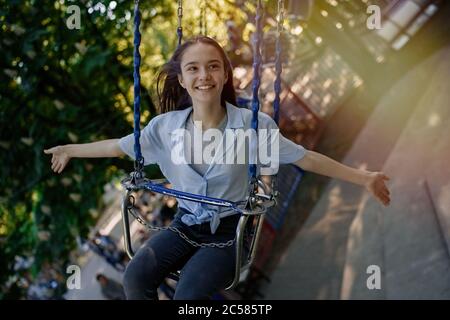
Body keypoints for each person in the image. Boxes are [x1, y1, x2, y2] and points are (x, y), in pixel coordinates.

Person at [44, 36, 391, 300]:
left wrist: (364, 177)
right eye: (193, 68)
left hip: (228, 235)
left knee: (189, 297)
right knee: (136, 277)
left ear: (225, 73)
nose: (204, 75)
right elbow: (117, 146)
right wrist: (70, 150)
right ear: (181, 79)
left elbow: (305, 157)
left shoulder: (251, 126)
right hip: (184, 226)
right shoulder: (163, 128)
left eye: (213, 66)